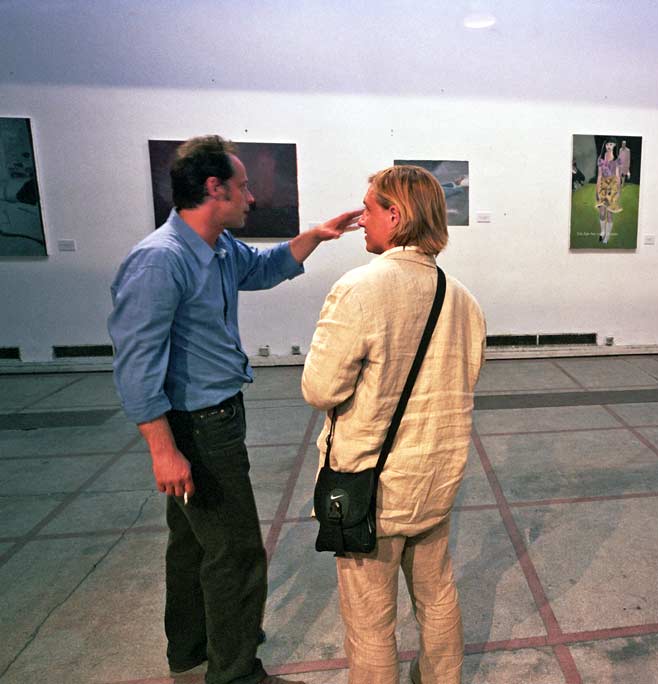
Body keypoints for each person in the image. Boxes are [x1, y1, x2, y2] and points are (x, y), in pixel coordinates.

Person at [108, 134, 360, 684]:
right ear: (213, 188)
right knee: (237, 553)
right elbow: (136, 364)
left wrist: (315, 236)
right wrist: (163, 449)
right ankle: (236, 673)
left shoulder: (218, 248)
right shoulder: (160, 261)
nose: (251, 197)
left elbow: (264, 269)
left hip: (217, 415)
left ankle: (193, 648)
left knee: (193, 545)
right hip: (196, 426)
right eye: (243, 187)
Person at [302, 165, 486, 684]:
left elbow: (320, 390)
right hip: (435, 480)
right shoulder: (463, 299)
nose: (361, 219)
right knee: (437, 595)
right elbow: (466, 376)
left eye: (368, 208)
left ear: (396, 214)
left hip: (371, 489)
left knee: (370, 623)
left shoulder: (358, 290)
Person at [594, 140, 622, 244]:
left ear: (614, 145)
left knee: (610, 213)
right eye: (607, 144)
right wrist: (597, 190)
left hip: (613, 187)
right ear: (604, 146)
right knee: (602, 213)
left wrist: (618, 191)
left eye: (611, 144)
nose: (609, 146)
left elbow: (618, 176)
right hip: (603, 186)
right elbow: (599, 175)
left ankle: (607, 237)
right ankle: (602, 232)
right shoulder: (600, 159)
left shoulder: (617, 159)